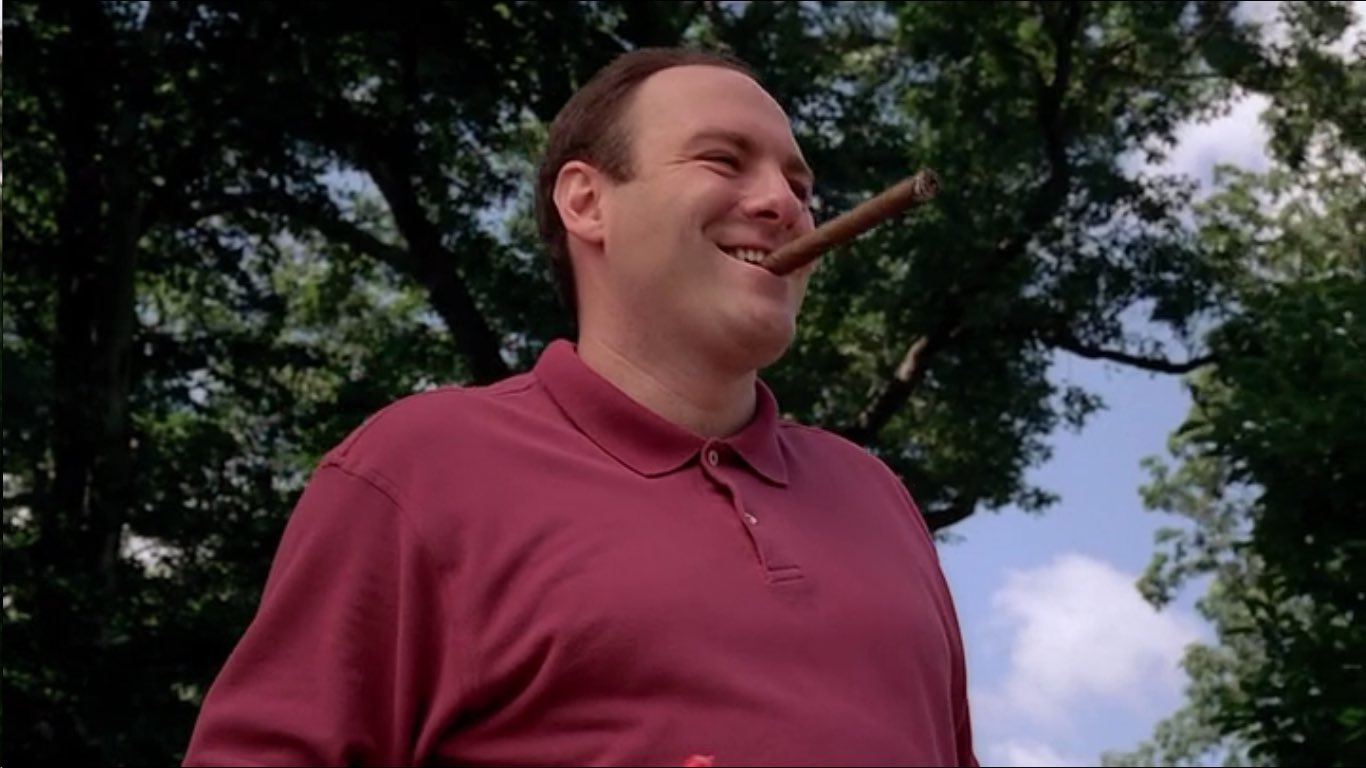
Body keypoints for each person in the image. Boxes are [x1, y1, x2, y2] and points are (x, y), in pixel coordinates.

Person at [183, 46, 978, 767]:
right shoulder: (422, 467)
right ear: (587, 201)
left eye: (801, 186)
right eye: (722, 159)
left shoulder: (878, 498)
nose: (784, 202)